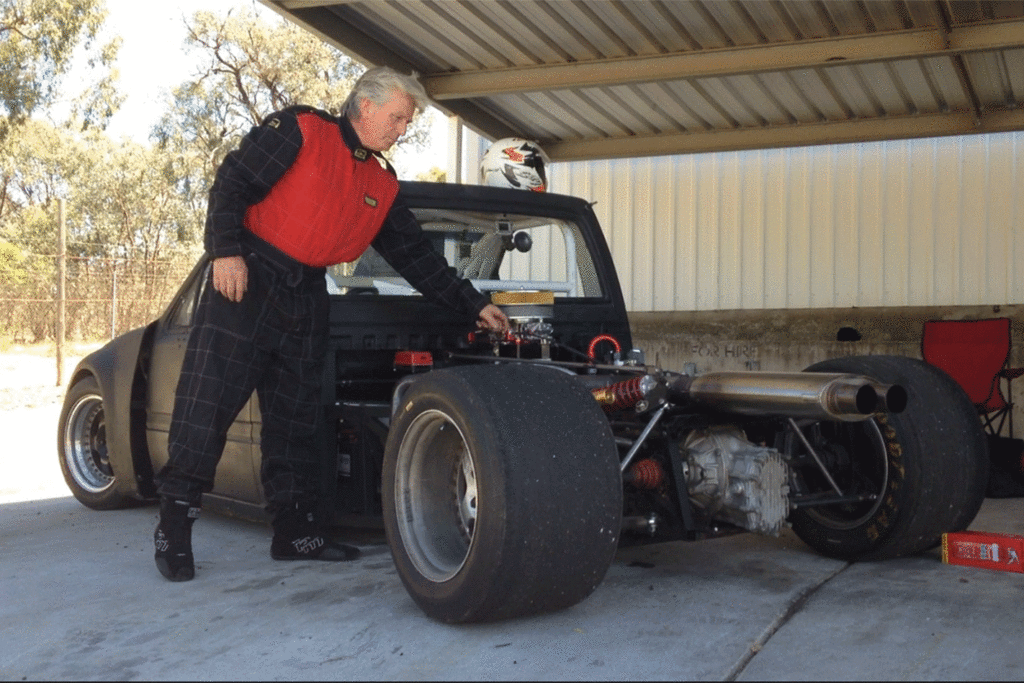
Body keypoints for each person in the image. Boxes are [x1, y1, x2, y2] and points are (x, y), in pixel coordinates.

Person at [153, 66, 510, 582]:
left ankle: (296, 534)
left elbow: (417, 257)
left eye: (406, 122)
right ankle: (173, 529)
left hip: (306, 295)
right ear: (365, 106)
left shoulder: (380, 183)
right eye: (397, 118)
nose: (401, 129)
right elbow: (232, 179)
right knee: (205, 409)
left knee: (297, 422)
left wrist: (473, 303)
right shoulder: (302, 130)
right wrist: (225, 251)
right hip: (248, 281)